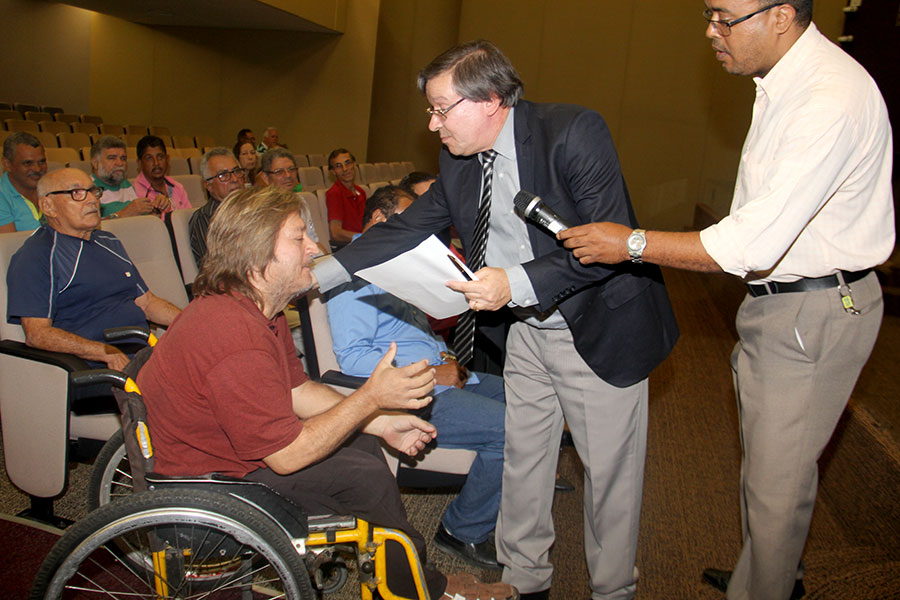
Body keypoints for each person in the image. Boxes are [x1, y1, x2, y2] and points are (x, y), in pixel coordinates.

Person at [312, 40, 679, 600]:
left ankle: (612, 590)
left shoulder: (573, 132)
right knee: (525, 457)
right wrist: (320, 273)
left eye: (440, 108)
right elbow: (408, 228)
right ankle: (524, 579)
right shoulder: (457, 160)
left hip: (597, 327)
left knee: (609, 476)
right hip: (527, 331)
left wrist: (517, 282)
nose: (431, 124)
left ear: (488, 100)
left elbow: (607, 240)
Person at [556, 2, 893, 599]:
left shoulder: (827, 97)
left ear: (782, 14)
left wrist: (629, 243)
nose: (710, 31)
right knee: (769, 473)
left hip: (811, 310)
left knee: (776, 486)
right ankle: (765, 573)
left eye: (724, 16)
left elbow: (751, 244)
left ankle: (763, 588)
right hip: (786, 304)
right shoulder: (786, 80)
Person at [137, 185, 518, 600]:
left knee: (367, 449)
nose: (315, 247)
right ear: (257, 254)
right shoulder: (234, 334)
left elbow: (298, 390)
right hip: (211, 481)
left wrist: (382, 423)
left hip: (225, 453)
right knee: (365, 476)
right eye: (299, 238)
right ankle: (419, 588)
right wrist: (370, 398)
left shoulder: (258, 310)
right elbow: (285, 457)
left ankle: (408, 579)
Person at [326, 185, 506, 570]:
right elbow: (353, 358)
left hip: (444, 373)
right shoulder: (352, 272)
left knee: (530, 399)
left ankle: (521, 484)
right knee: (513, 428)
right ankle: (463, 529)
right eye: (411, 223)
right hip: (413, 393)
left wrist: (446, 358)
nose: (421, 234)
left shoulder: (395, 264)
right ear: (378, 221)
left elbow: (417, 331)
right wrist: (431, 372)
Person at [6, 168, 181, 371]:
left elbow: (148, 303)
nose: (92, 200)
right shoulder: (37, 255)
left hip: (144, 353)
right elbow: (37, 334)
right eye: (77, 193)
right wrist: (104, 352)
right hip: (96, 366)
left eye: (93, 191)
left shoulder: (109, 242)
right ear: (48, 206)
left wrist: (189, 323)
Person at [188, 147, 246, 266]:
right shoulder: (205, 219)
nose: (235, 179)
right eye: (223, 175)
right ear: (208, 185)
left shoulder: (255, 208)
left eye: (236, 171)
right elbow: (216, 271)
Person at [90, 136, 170, 220]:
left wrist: (156, 210)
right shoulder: (88, 190)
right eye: (112, 158)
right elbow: (89, 230)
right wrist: (124, 213)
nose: (120, 163)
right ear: (95, 163)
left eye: (123, 158)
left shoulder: (126, 185)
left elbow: (138, 220)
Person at [132, 135, 192, 216]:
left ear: (167, 159)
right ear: (139, 163)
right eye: (149, 158)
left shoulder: (177, 187)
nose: (156, 163)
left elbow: (189, 219)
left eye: (160, 157)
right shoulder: (134, 192)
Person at [0, 132, 47, 232]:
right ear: (7, 164)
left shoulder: (51, 188)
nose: (37, 169)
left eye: (41, 162)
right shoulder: (2, 196)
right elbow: (8, 245)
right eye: (28, 163)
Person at [325, 148, 366, 246]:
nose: (345, 169)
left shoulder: (361, 191)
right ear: (333, 171)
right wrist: (363, 237)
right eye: (338, 166)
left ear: (354, 164)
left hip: (362, 242)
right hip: (348, 246)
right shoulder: (334, 193)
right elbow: (335, 233)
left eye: (348, 163)